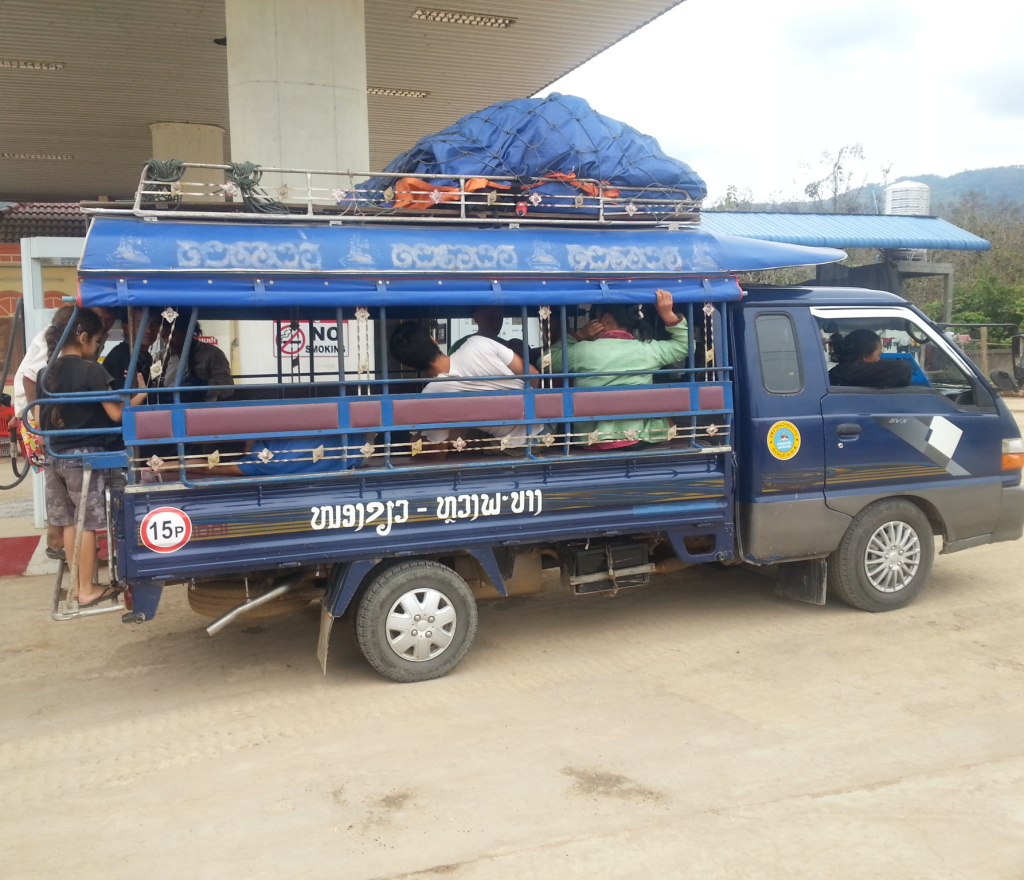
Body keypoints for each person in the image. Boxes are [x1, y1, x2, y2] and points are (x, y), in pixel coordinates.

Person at [39, 308, 147, 606]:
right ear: (83, 337)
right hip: (84, 456)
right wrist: (141, 393)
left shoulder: (44, 372)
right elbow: (116, 414)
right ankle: (86, 589)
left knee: (70, 522)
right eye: (98, 341)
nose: (98, 348)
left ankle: (78, 586)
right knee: (87, 523)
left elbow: (39, 416)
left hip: (54, 454)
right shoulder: (92, 370)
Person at [9, 305, 113, 559]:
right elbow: (29, 377)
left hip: (52, 433)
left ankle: (70, 558)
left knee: (68, 513)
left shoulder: (56, 356)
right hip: (48, 429)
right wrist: (40, 423)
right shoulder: (73, 359)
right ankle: (67, 557)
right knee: (82, 518)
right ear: (83, 335)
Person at [550, 290, 689, 449]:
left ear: (604, 318)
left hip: (588, 440)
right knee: (668, 421)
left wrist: (579, 334)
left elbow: (545, 362)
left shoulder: (580, 350)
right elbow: (685, 346)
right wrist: (667, 314)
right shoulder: (649, 350)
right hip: (635, 437)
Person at [389, 321, 541, 458]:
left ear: (409, 366)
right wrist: (528, 410)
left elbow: (439, 453)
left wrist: (415, 440)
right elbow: (533, 373)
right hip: (545, 432)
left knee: (437, 436)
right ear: (433, 340)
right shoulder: (479, 343)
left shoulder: (433, 393)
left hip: (514, 446)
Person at [153, 310, 233, 403]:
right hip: (169, 410)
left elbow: (227, 387)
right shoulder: (160, 357)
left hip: (202, 411)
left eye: (173, 335)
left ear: (188, 332)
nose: (168, 342)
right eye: (164, 337)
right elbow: (153, 382)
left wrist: (202, 387)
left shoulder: (212, 354)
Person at [828, 329, 912, 388]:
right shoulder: (853, 370)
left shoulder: (843, 370)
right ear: (864, 355)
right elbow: (902, 367)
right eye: (879, 355)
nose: (879, 360)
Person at [102, 307, 162, 388]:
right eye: (142, 325)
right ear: (127, 328)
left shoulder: (145, 357)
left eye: (154, 325)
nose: (148, 330)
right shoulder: (121, 356)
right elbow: (123, 397)